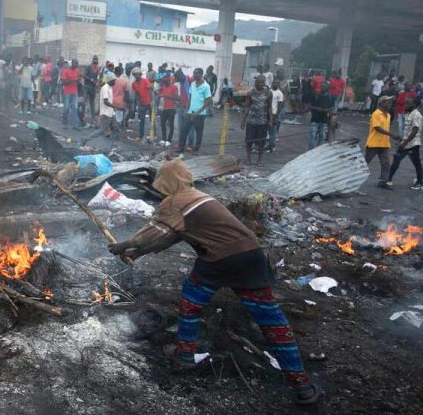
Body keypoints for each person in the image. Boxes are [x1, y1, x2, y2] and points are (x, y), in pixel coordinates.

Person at [108, 159, 319, 406]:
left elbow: (155, 231)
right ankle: (302, 385)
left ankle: (185, 355)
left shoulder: (174, 201)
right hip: (252, 256)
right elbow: (173, 235)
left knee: (190, 302)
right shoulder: (198, 196)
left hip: (219, 259)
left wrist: (125, 245)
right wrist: (138, 253)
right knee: (272, 321)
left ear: (166, 182)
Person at [387, 97, 423, 190]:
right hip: (406, 143)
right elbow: (408, 130)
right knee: (397, 160)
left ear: (415, 105)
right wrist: (403, 140)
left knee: (416, 163)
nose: (406, 105)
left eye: (408, 104)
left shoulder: (416, 115)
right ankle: (388, 180)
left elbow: (415, 130)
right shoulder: (409, 113)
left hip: (413, 144)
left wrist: (405, 142)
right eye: (405, 104)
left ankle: (420, 182)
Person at [366, 95, 401, 188]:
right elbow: (377, 128)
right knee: (365, 162)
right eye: (387, 101)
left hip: (384, 143)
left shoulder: (388, 115)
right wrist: (392, 135)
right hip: (374, 143)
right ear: (381, 103)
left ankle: (383, 181)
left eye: (390, 101)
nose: (389, 103)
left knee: (386, 163)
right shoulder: (376, 113)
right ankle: (352, 177)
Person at [179, 68, 212, 154]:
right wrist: (186, 110)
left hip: (200, 114)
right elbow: (190, 98)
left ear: (201, 74)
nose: (194, 75)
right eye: (194, 74)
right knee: (184, 130)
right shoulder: (193, 84)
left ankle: (196, 149)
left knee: (198, 132)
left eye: (196, 74)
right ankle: (181, 148)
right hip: (190, 112)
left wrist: (198, 112)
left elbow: (208, 101)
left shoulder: (206, 86)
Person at [240, 75, 272, 166]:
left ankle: (259, 161)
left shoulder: (268, 93)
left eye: (261, 82)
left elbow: (269, 107)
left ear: (264, 83)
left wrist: (270, 121)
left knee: (261, 142)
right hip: (251, 121)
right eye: (258, 82)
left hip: (263, 121)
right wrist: (243, 120)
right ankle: (249, 159)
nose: (259, 83)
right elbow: (247, 107)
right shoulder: (250, 93)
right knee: (249, 141)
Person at [306, 83, 332, 150]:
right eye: (322, 86)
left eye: (325, 87)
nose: (323, 88)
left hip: (324, 121)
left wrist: (326, 110)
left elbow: (332, 108)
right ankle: (310, 151)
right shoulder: (315, 96)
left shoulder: (329, 97)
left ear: (327, 88)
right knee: (312, 136)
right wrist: (316, 108)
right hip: (315, 120)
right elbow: (308, 106)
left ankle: (317, 151)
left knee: (322, 137)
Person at [131, 67, 153, 142]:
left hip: (149, 103)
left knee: (152, 120)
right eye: (135, 74)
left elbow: (150, 90)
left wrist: (152, 102)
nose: (137, 76)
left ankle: (153, 135)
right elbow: (137, 95)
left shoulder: (145, 81)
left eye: (138, 74)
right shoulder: (134, 84)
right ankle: (141, 135)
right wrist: (138, 104)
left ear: (140, 74)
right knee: (142, 120)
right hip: (142, 104)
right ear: (134, 75)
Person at [159, 73, 179, 145]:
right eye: (163, 82)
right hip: (164, 108)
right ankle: (163, 139)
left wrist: (166, 96)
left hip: (171, 108)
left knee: (171, 125)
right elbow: (160, 93)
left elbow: (177, 98)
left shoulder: (174, 87)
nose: (164, 83)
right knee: (162, 124)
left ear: (169, 80)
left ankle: (169, 140)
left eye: (166, 81)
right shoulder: (163, 86)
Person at [61, 59, 81, 130]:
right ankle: (64, 123)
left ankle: (75, 125)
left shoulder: (77, 71)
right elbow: (63, 82)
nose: (76, 65)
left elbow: (77, 82)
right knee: (66, 108)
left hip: (74, 92)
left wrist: (78, 81)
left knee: (75, 109)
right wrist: (73, 80)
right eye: (75, 63)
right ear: (72, 63)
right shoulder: (66, 71)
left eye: (77, 64)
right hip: (67, 92)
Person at [99, 72, 119, 138]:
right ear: (110, 80)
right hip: (105, 113)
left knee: (116, 128)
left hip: (110, 112)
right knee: (101, 131)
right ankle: (85, 139)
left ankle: (114, 144)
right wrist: (114, 106)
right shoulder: (105, 88)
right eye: (114, 81)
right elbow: (105, 101)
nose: (115, 82)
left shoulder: (110, 87)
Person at [268, 81, 285, 152]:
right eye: (273, 83)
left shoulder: (279, 93)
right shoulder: (269, 91)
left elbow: (280, 105)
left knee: (273, 130)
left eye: (276, 83)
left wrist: (276, 115)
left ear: (278, 84)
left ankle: (272, 146)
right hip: (267, 112)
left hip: (274, 113)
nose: (274, 84)